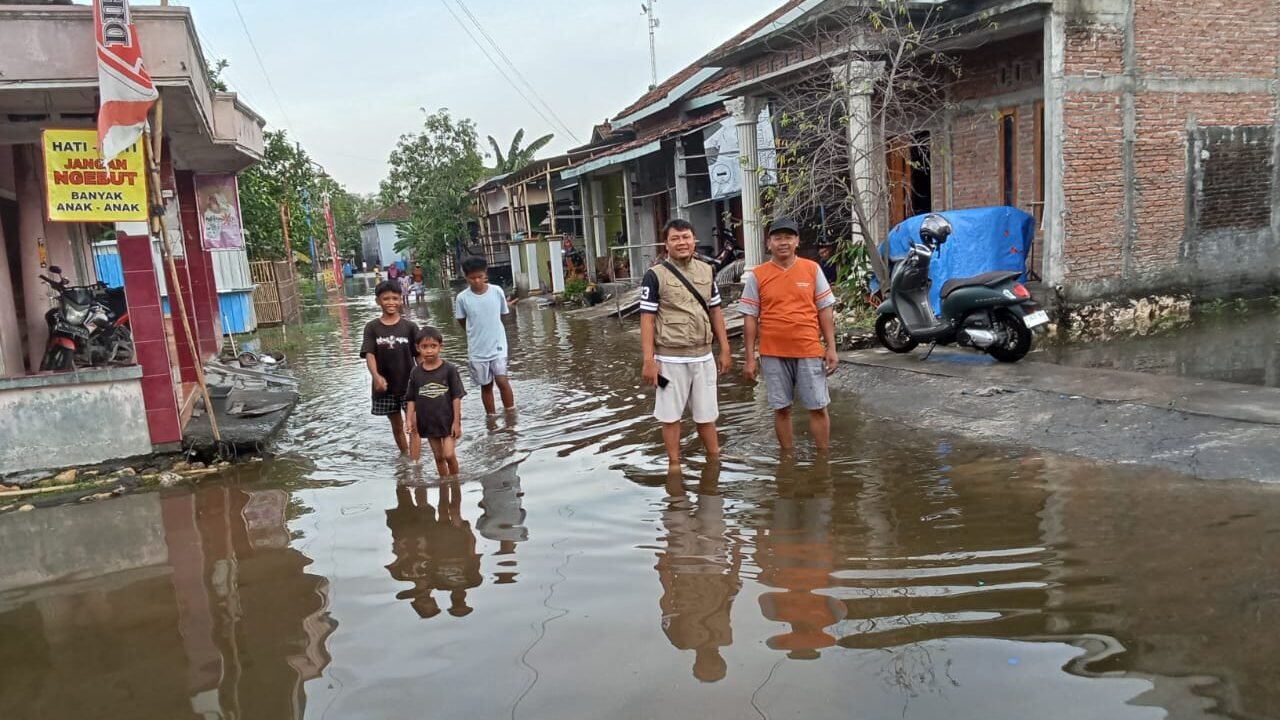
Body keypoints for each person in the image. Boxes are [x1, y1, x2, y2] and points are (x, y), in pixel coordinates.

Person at [640, 218, 732, 471]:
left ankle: (715, 459)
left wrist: (724, 348)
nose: (682, 243)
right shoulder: (654, 276)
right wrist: (649, 361)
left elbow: (715, 311)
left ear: (694, 241)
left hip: (703, 358)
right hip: (669, 361)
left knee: (707, 415)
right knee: (670, 416)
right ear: (666, 244)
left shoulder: (707, 271)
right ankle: (674, 464)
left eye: (686, 237)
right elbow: (647, 319)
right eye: (675, 238)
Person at [741, 218, 839, 451]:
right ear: (769, 243)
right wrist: (749, 357)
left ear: (797, 241)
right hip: (772, 352)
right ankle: (787, 459)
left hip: (809, 349)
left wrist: (831, 348)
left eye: (788, 237)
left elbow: (824, 310)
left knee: (817, 406)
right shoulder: (758, 275)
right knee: (781, 408)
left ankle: (822, 458)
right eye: (777, 238)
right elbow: (749, 317)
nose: (783, 243)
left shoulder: (812, 269)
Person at [360, 280, 419, 455]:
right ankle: (405, 455)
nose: (391, 302)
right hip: (385, 386)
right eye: (386, 298)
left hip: (409, 384)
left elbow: (420, 356)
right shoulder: (372, 328)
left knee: (414, 424)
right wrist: (376, 376)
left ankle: (415, 463)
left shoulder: (410, 327)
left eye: (395, 298)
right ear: (378, 301)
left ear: (401, 299)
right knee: (397, 425)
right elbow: (369, 354)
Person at [455, 257, 516, 415]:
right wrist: (474, 332)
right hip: (477, 349)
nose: (476, 281)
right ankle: (491, 418)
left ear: (485, 274)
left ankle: (511, 414)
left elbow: (502, 314)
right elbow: (462, 320)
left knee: (502, 380)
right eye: (472, 278)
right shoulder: (462, 298)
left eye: (480, 277)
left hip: (498, 344)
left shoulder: (497, 291)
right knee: (486, 385)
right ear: (466, 277)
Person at [405, 326, 466, 477]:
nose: (429, 351)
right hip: (428, 422)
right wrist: (408, 420)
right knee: (438, 457)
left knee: (449, 455)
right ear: (418, 348)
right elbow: (411, 398)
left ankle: (455, 481)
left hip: (447, 421)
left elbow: (456, 397)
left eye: (433, 346)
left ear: (440, 347)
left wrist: (457, 422)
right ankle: (445, 483)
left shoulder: (449, 370)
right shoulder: (416, 372)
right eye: (424, 347)